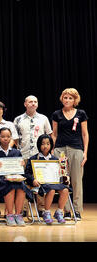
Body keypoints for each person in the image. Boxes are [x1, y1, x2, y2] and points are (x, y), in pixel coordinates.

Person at [51, 88, 89, 220]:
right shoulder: (57, 114)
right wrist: (52, 149)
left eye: (70, 98)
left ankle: (77, 211)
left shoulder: (81, 113)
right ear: (62, 99)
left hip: (76, 149)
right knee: (63, 181)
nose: (67, 100)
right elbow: (54, 134)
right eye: (65, 98)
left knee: (77, 181)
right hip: (60, 150)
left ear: (75, 100)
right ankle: (66, 210)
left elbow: (85, 134)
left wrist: (85, 152)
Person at [14, 95, 52, 216]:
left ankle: (41, 208)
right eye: (30, 102)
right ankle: (24, 208)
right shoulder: (18, 119)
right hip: (24, 154)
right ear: (25, 104)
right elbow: (15, 138)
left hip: (39, 156)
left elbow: (49, 135)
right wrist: (18, 150)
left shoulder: (43, 118)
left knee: (40, 180)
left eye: (35, 102)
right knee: (24, 181)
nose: (33, 104)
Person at [0, 128, 33, 226]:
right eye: (3, 136)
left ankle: (18, 214)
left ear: (11, 138)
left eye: (8, 136)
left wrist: (22, 166)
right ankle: (9, 214)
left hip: (15, 179)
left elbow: (22, 172)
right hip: (1, 180)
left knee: (21, 187)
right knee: (10, 187)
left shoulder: (16, 152)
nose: (5, 139)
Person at [25, 134, 70, 224]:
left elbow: (60, 174)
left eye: (48, 144)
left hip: (52, 182)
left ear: (51, 145)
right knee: (52, 190)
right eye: (43, 144)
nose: (45, 146)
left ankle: (59, 212)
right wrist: (33, 180)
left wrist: (64, 170)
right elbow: (27, 174)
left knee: (65, 190)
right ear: (39, 145)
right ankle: (46, 212)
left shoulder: (55, 159)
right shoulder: (33, 158)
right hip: (40, 184)